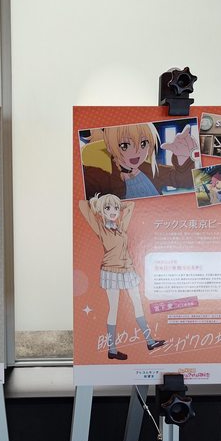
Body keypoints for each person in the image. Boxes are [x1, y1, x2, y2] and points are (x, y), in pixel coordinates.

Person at [79, 193, 165, 360]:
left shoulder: (120, 227)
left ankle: (150, 341)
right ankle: (112, 349)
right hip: (111, 271)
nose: (113, 211)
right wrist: (97, 205)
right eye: (108, 208)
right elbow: (83, 205)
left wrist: (119, 204)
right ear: (101, 210)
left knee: (138, 304)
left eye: (116, 208)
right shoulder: (100, 227)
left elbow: (131, 205)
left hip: (128, 270)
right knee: (114, 309)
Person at [82, 122, 197, 200]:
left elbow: (187, 181)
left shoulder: (150, 169)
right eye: (125, 145)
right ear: (110, 147)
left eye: (143, 143)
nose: (136, 152)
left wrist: (183, 158)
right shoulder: (100, 175)